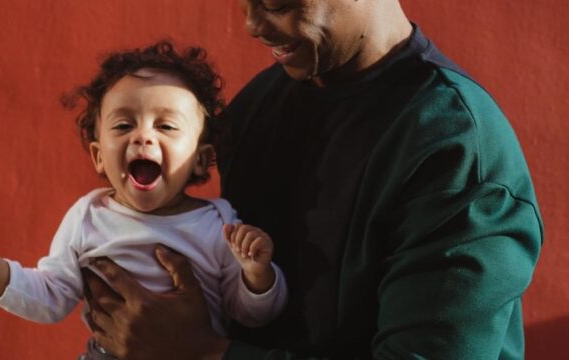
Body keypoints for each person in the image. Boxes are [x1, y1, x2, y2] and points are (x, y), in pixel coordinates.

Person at [81, 0, 544, 359]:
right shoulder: (254, 108)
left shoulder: (455, 148)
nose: (253, 25)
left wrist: (204, 351)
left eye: (278, 3)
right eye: (243, 4)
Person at [0, 41, 288, 359]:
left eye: (165, 126)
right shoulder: (88, 216)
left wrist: (258, 275)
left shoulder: (217, 223)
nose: (143, 137)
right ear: (99, 156)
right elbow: (51, 297)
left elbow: (250, 314)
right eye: (123, 126)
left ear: (200, 158)